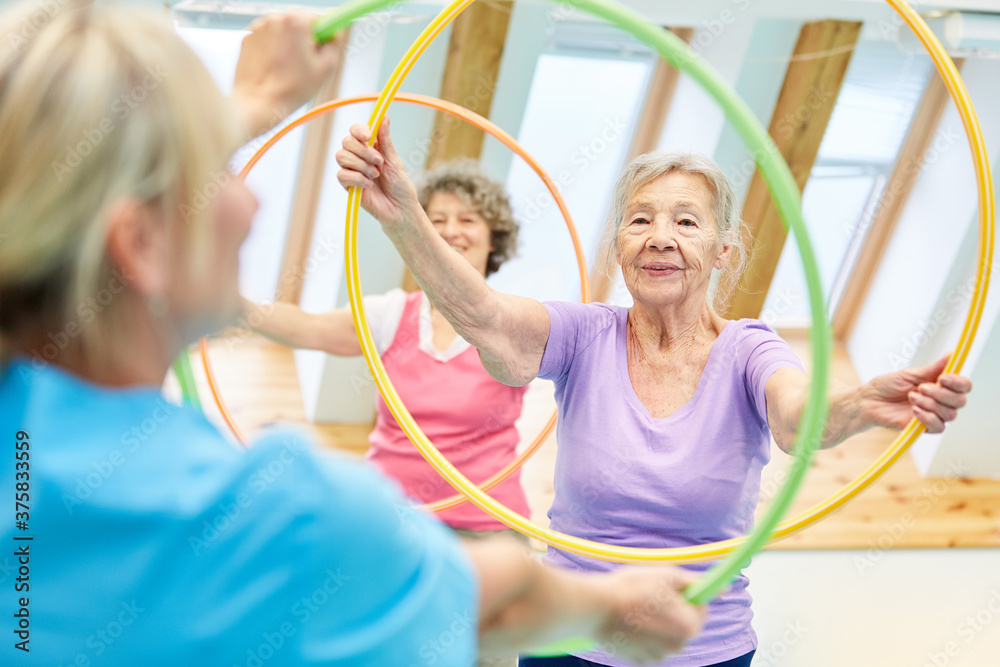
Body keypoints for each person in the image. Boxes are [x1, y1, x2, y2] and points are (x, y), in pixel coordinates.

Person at [0, 3, 707, 665]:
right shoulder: (290, 517)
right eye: (215, 175)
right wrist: (611, 603)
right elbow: (500, 601)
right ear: (141, 245)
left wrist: (246, 109)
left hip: (483, 522)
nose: (250, 204)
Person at [334, 120, 975, 667]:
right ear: (619, 248)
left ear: (725, 251)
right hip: (567, 634)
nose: (660, 236)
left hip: (701, 646)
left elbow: (798, 416)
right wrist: (403, 218)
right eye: (640, 219)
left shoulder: (750, 349)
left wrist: (860, 404)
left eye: (686, 221)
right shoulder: (585, 335)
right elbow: (487, 318)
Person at [244, 160, 531, 537]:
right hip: (392, 516)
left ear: (494, 237)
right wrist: (233, 307)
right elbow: (308, 328)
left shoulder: (519, 322)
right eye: (438, 220)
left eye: (467, 220)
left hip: (486, 522)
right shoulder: (393, 313)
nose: (451, 231)